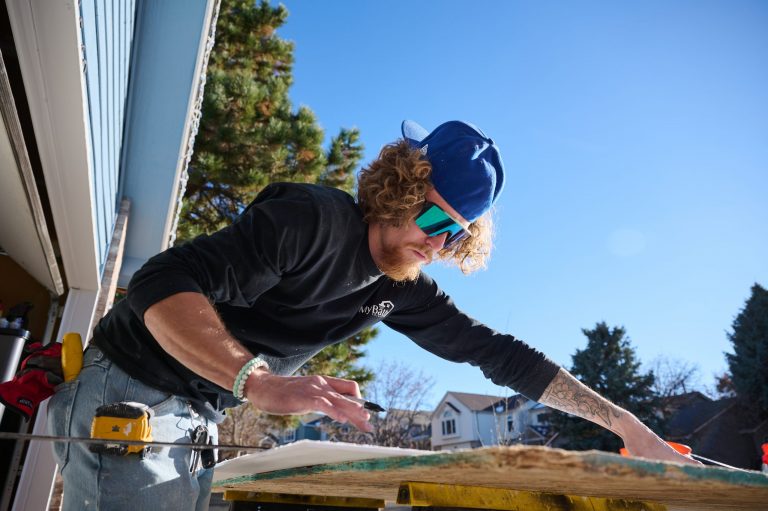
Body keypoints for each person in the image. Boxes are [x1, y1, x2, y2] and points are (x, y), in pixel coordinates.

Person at [47, 120, 697, 510]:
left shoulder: (400, 289)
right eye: (437, 217)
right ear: (402, 186)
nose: (440, 243)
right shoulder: (312, 222)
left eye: (458, 234)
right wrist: (259, 380)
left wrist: (628, 425)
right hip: (128, 389)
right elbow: (160, 283)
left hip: (191, 418)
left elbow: (499, 354)